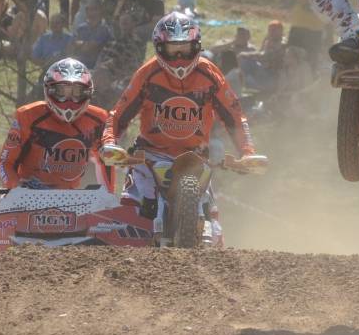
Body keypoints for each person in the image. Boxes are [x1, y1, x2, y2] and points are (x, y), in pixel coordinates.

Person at [100, 13, 259, 240]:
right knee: (130, 216)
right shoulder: (147, 73)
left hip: (195, 158)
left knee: (214, 232)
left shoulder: (210, 74)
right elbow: (118, 115)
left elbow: (234, 115)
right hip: (150, 156)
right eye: (172, 50)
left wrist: (247, 152)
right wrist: (109, 143)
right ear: (159, 47)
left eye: (184, 49)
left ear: (196, 46)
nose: (179, 57)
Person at [0, 58, 113, 190]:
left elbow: (107, 159)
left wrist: (108, 195)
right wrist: (16, 188)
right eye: (61, 91)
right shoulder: (28, 116)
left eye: (77, 92)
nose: (69, 100)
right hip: (28, 193)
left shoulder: (98, 119)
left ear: (88, 92)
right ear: (49, 90)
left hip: (70, 198)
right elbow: (5, 163)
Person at [237, 20, 286, 91]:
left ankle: (248, 83)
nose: (271, 32)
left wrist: (246, 54)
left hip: (272, 76)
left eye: (274, 30)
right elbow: (260, 52)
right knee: (244, 62)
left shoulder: (282, 44)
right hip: (263, 71)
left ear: (280, 31)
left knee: (245, 60)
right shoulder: (269, 40)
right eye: (270, 30)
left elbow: (264, 56)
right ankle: (244, 82)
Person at [70, 3, 113, 69]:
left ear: (101, 11)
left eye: (95, 9)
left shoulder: (104, 29)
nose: (92, 12)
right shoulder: (81, 28)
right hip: (79, 63)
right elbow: (72, 45)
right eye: (89, 10)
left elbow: (90, 48)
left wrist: (81, 44)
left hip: (97, 64)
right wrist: (85, 44)